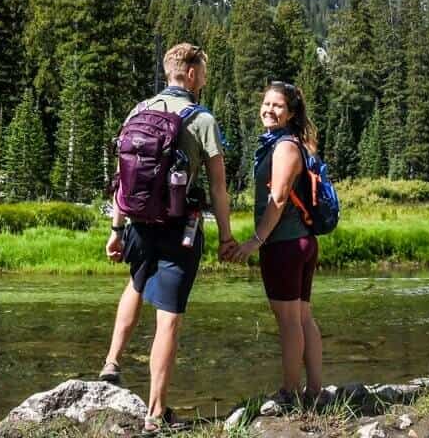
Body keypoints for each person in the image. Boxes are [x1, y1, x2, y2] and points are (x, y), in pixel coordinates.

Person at [101, 42, 238, 433]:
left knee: (135, 284)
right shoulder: (202, 119)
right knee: (169, 319)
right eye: (205, 73)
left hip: (139, 224)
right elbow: (218, 188)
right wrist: (227, 236)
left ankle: (111, 362)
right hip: (181, 228)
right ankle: (155, 413)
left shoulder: (138, 111)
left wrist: (116, 230)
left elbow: (122, 181)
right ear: (192, 74)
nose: (205, 80)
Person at [232, 81, 323, 406]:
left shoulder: (284, 146)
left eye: (278, 106)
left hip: (285, 245)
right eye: (266, 103)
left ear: (291, 112)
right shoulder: (293, 142)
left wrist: (256, 240)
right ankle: (314, 390)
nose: (269, 110)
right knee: (302, 318)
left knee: (289, 322)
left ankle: (289, 392)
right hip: (300, 242)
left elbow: (280, 196)